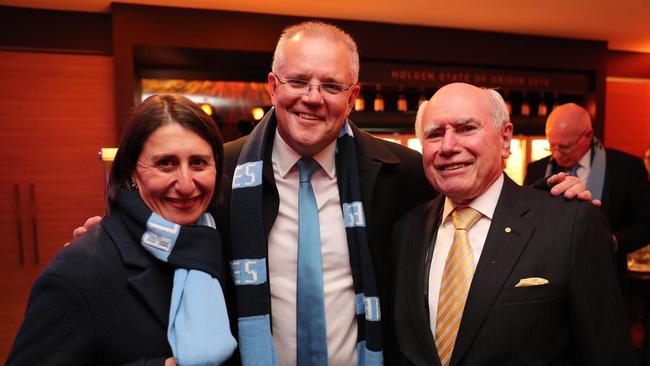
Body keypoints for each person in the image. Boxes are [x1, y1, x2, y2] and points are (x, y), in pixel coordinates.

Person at [73, 22, 590, 366]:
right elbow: (173, 250)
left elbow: (482, 205)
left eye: (331, 85)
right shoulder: (220, 175)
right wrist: (119, 237)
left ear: (353, 96)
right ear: (273, 87)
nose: (312, 98)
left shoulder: (403, 172)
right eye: (298, 81)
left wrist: (554, 202)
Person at [393, 83, 637, 365]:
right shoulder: (407, 230)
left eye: (467, 128)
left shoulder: (570, 225)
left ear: (505, 139)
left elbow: (609, 354)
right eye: (434, 134)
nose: (448, 146)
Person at [8, 95, 237, 366]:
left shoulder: (218, 243)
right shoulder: (80, 269)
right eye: (166, 163)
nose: (186, 184)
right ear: (131, 171)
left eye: (199, 162)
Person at [524, 103, 650, 287]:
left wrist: (614, 241)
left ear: (588, 136)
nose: (556, 154)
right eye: (551, 146)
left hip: (604, 278)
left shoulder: (626, 168)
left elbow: (646, 223)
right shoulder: (536, 169)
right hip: (546, 276)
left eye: (564, 147)